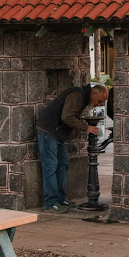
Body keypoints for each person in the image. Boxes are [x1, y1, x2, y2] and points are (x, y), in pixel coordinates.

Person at [36, 84, 109, 213]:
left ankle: (61, 199)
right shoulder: (77, 95)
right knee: (50, 166)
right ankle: (50, 203)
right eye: (99, 101)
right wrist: (86, 127)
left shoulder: (83, 97)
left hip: (57, 133)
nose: (99, 104)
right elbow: (67, 117)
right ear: (94, 93)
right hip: (49, 131)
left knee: (63, 162)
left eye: (102, 103)